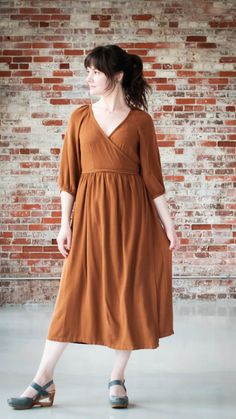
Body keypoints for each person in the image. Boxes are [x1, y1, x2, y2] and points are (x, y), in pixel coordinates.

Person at [7, 44, 179, 410]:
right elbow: (68, 177)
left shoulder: (140, 122)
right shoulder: (79, 118)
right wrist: (63, 224)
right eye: (87, 71)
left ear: (116, 76)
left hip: (134, 220)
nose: (88, 77)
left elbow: (152, 180)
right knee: (72, 296)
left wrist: (170, 225)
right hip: (89, 217)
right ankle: (42, 380)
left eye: (95, 72)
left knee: (129, 294)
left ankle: (117, 378)